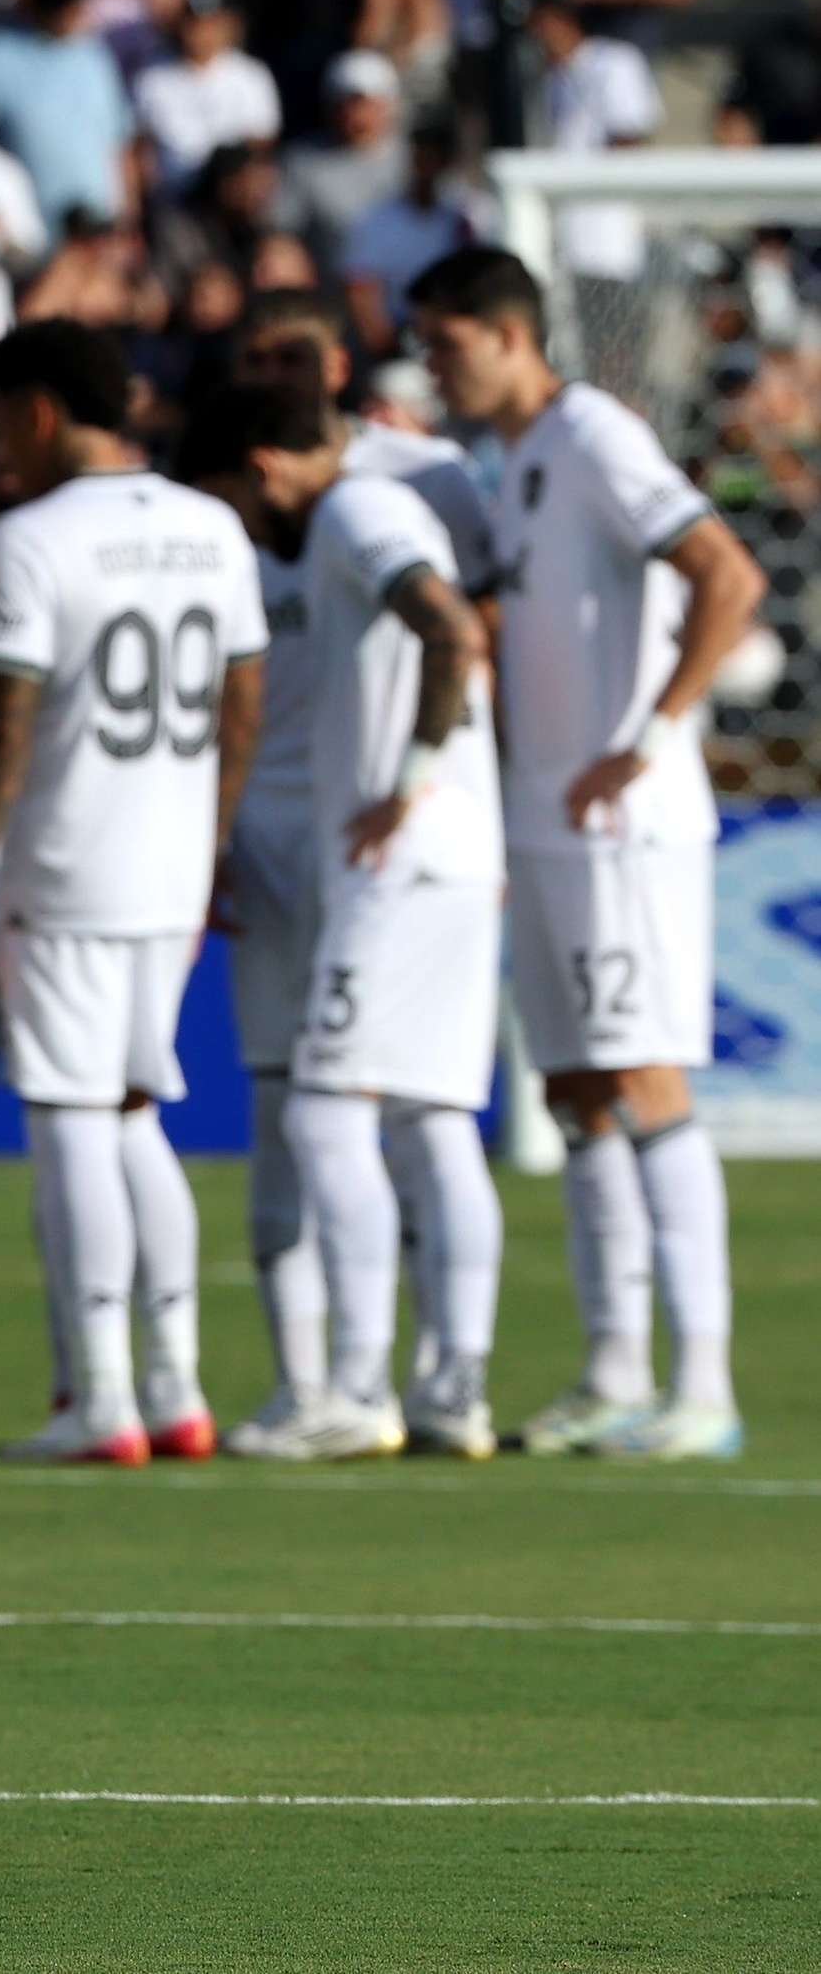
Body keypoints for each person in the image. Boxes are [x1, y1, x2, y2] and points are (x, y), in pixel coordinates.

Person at [407, 246, 767, 1460]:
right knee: (575, 1090)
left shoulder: (599, 434)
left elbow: (728, 573)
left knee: (646, 1076)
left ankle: (704, 1385)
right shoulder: (517, 466)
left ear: (509, 334)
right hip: (549, 821)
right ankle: (617, 1367)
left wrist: (652, 736)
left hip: (623, 820)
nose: (436, 365)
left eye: (447, 341)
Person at [0, 322, 266, 1467]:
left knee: (71, 1117)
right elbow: (244, 700)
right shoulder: (212, 525)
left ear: (35, 412)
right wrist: (209, 843)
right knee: (134, 1114)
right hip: (170, 871)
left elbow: (8, 722)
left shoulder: (32, 539)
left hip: (69, 865)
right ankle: (175, 1388)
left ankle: (103, 1396)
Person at [184, 382, 508, 1460]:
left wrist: (407, 777)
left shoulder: (354, 513)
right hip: (458, 855)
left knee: (325, 1113)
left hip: (400, 861)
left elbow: (450, 628)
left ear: (263, 468)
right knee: (430, 1118)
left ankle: (355, 1387)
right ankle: (452, 1385)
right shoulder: (374, 505)